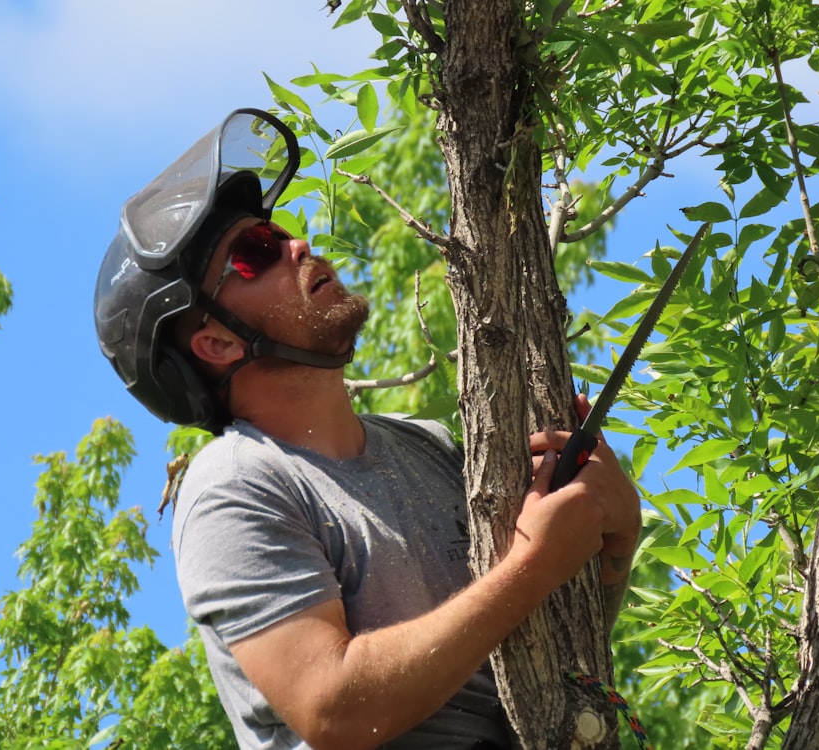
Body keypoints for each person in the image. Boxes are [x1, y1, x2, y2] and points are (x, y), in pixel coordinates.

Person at [94, 109, 641, 750]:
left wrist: (612, 546)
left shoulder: (428, 447)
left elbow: (546, 657)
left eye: (281, 232)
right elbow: (333, 710)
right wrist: (533, 564)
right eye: (253, 256)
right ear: (215, 343)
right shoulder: (234, 488)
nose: (297, 246)